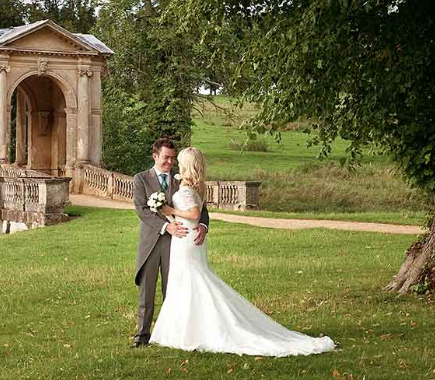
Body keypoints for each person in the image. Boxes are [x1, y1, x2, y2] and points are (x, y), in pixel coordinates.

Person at [150, 146, 336, 356]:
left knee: (191, 278)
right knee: (189, 278)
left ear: (187, 164)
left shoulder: (185, 186)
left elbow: (194, 213)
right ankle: (184, 329)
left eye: (180, 160)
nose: (175, 162)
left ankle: (196, 330)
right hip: (186, 237)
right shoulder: (195, 185)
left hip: (187, 238)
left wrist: (169, 210)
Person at [132, 137, 210, 348]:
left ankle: (173, 332)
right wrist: (167, 226)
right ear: (155, 156)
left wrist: (203, 226)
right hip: (151, 241)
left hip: (178, 243)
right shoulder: (141, 179)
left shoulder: (181, 179)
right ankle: (142, 334)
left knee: (174, 288)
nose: (169, 162)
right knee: (147, 290)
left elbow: (201, 207)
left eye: (173, 158)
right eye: (166, 157)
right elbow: (142, 210)